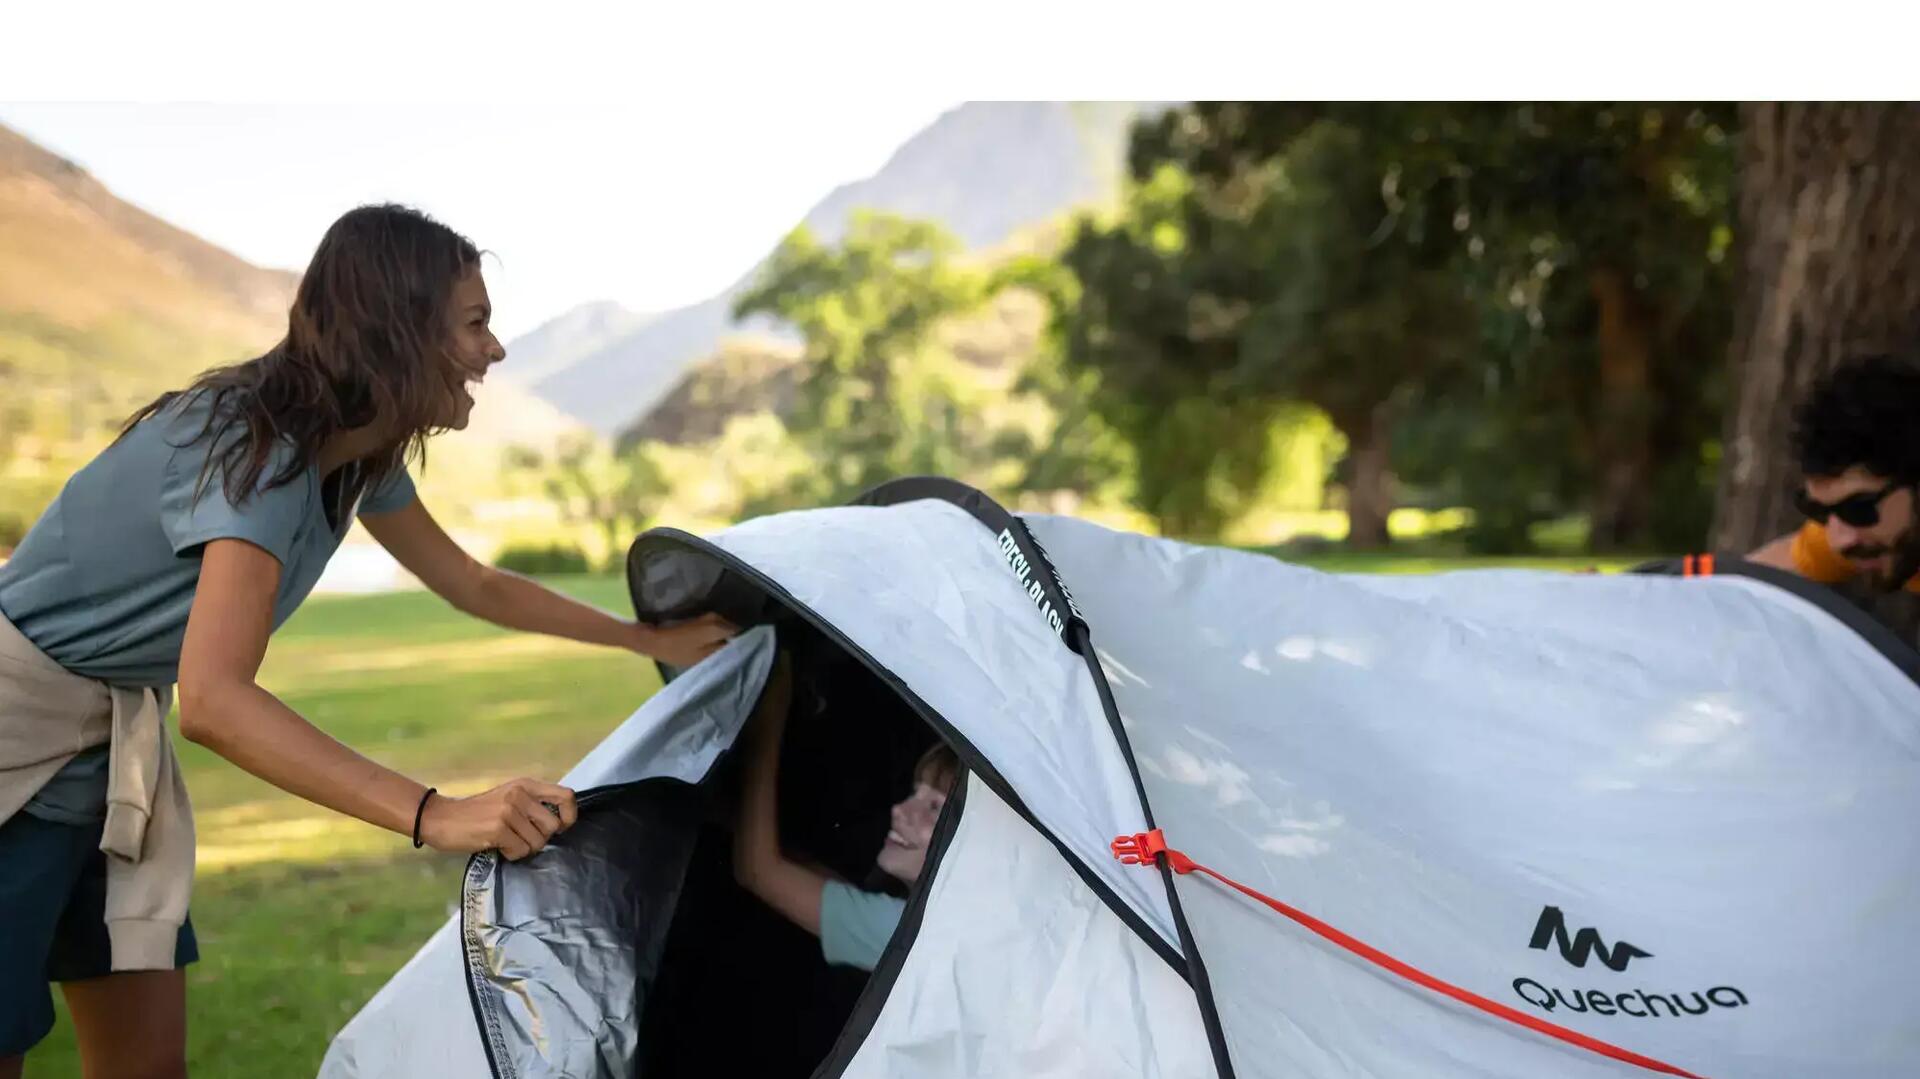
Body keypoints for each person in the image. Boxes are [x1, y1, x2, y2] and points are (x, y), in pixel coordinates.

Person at [0, 204, 733, 1078]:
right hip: (16, 747)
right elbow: (219, 701)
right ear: (399, 328)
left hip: (108, 763)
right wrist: (437, 812)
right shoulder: (257, 449)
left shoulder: (357, 458)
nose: (494, 350)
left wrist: (647, 637)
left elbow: (474, 583)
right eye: (474, 323)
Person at [732, 650, 959, 972]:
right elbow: (839, 895)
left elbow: (758, 871)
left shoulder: (919, 933)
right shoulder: (943, 916)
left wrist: (771, 710)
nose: (899, 811)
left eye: (935, 807)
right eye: (915, 794)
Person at [1747, 355, 1920, 601]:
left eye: (1858, 510)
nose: (1838, 540)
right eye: (1817, 510)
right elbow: (1748, 579)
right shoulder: (1868, 539)